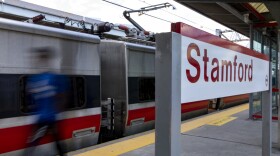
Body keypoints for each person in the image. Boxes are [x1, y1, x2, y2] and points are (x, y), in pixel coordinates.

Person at [23, 47, 67, 156]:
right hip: (43, 117)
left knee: (33, 143)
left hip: (49, 117)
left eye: (42, 57)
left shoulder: (52, 77)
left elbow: (62, 96)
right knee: (55, 142)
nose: (40, 60)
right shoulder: (34, 79)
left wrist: (57, 112)